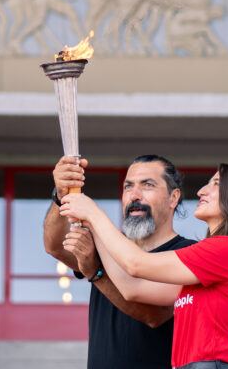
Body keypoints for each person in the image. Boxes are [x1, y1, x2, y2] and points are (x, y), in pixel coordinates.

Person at [59, 164, 228, 369]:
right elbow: (132, 288)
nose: (202, 191)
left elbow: (136, 263)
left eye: (216, 184)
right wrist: (91, 233)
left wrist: (93, 214)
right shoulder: (217, 262)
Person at [43, 154, 195, 369]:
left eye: (148, 185)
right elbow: (55, 246)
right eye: (128, 187)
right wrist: (61, 195)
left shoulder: (189, 253)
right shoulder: (107, 245)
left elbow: (155, 317)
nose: (135, 195)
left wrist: (96, 273)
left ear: (173, 197)